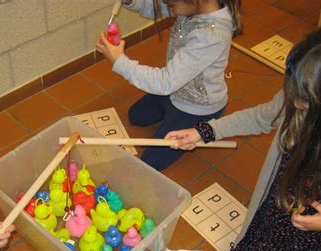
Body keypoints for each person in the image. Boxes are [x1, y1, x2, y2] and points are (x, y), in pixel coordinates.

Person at [165, 20, 321, 251]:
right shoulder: (298, 97)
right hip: (279, 204)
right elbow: (260, 117)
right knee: (266, 244)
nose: (294, 100)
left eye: (306, 99)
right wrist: (205, 132)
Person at [96, 0, 242, 171]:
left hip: (196, 107)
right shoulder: (192, 7)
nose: (167, 6)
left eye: (170, 4)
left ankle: (209, 120)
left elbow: (164, 83)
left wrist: (119, 62)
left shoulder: (211, 35)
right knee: (135, 116)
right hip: (175, 88)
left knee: (150, 163)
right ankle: (169, 112)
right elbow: (156, 8)